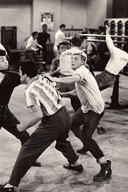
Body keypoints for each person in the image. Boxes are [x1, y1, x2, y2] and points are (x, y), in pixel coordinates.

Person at [0, 60, 83, 192]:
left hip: (53, 121)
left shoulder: (29, 90)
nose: (19, 75)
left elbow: (38, 115)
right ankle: (75, 163)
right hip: (65, 115)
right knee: (62, 141)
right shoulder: (43, 77)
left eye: (20, 72)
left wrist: (23, 127)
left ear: (24, 74)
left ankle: (12, 185)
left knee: (28, 149)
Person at [48, 50, 112, 181]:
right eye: (71, 59)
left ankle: (105, 165)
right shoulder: (81, 72)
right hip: (86, 108)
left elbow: (73, 79)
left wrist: (53, 78)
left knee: (87, 137)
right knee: (71, 125)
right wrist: (63, 94)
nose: (72, 61)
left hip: (95, 109)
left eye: (76, 59)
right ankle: (85, 145)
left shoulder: (80, 72)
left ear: (83, 61)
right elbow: (77, 91)